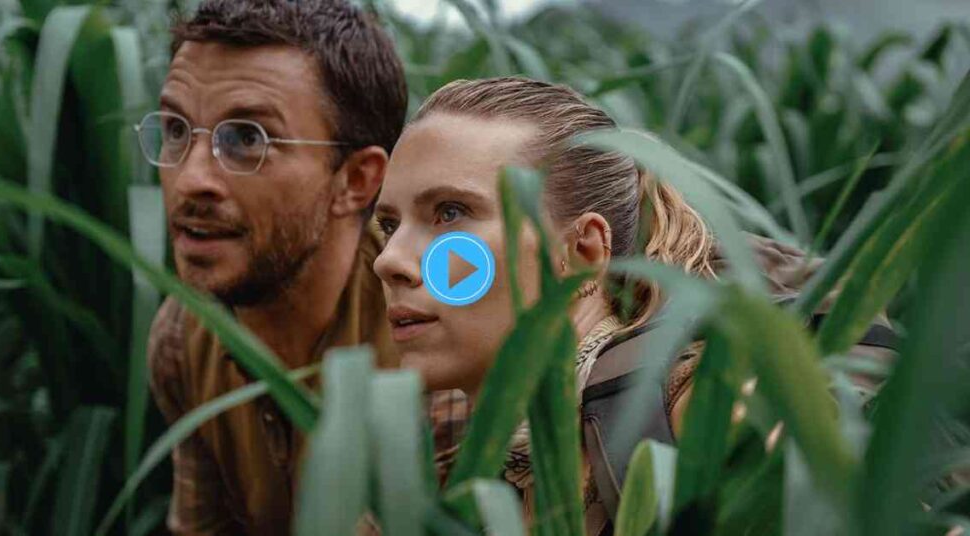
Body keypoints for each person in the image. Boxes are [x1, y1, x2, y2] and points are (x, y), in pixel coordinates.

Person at [372, 77, 896, 533]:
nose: (389, 261)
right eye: (390, 225)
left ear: (582, 254)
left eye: (450, 213)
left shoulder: (709, 416)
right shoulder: (441, 460)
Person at [143, 1, 407, 533]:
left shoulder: (434, 346)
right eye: (175, 129)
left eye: (246, 139)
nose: (191, 179)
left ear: (356, 180)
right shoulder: (181, 339)